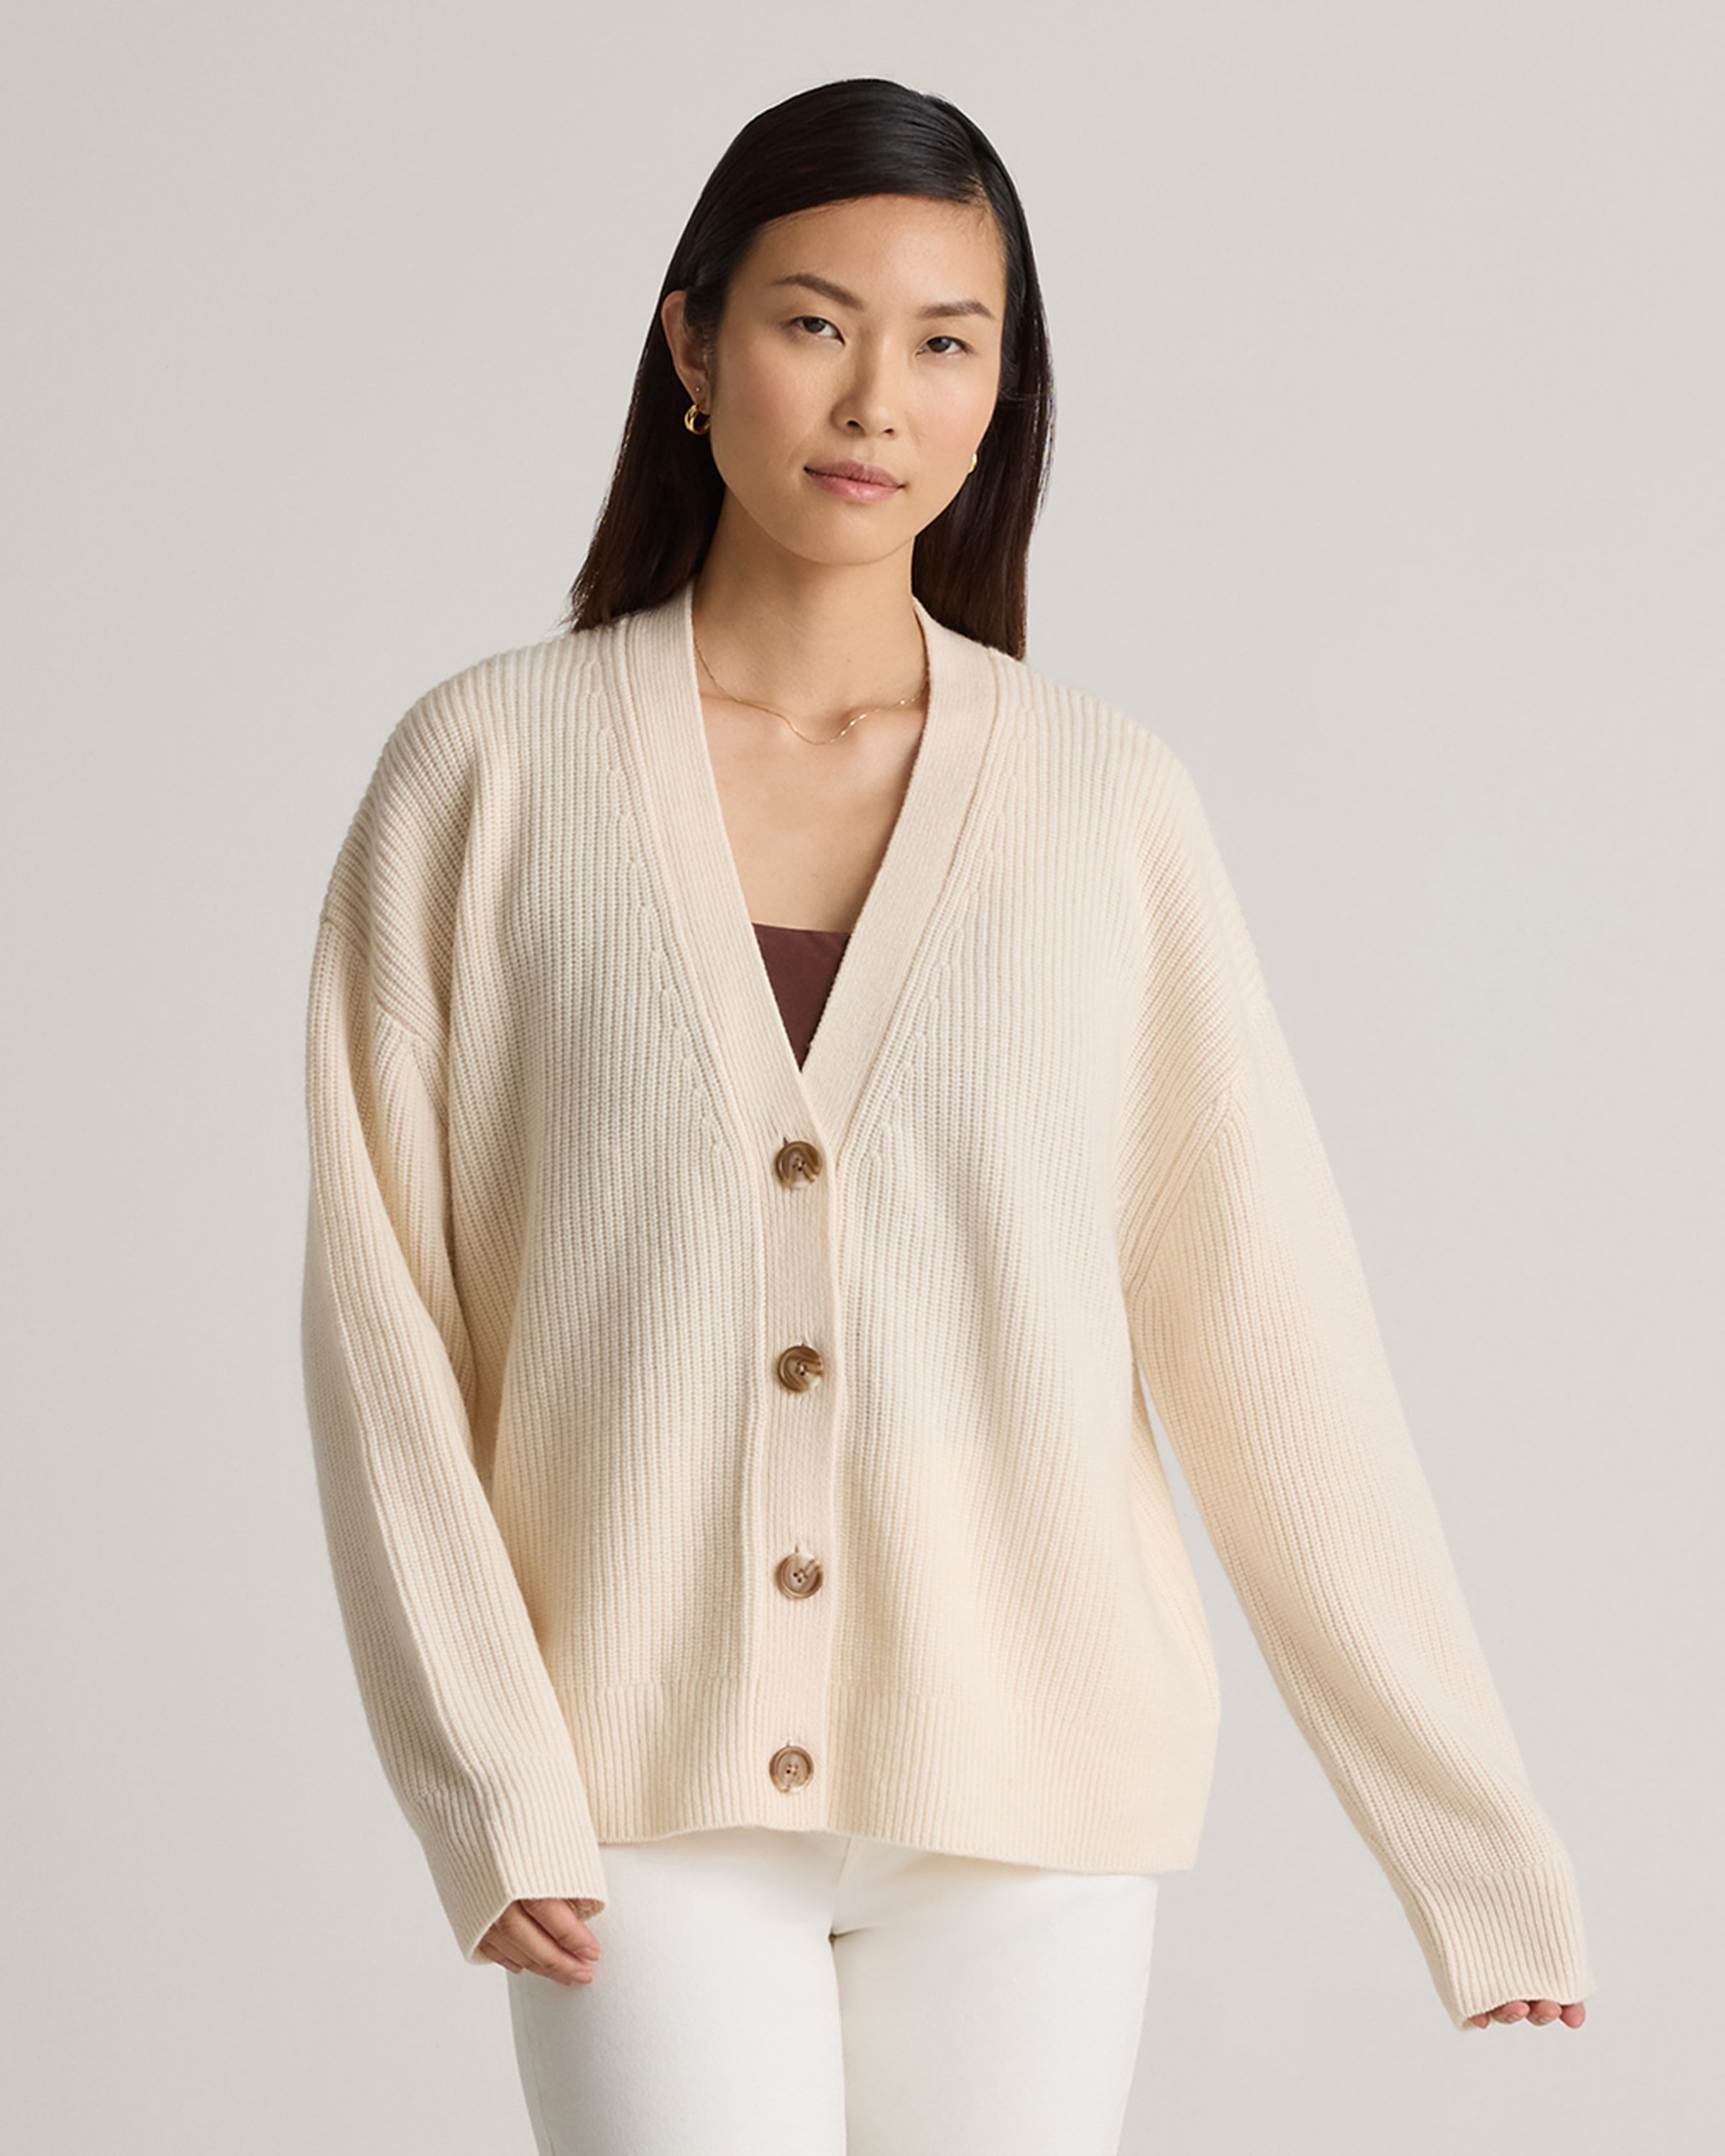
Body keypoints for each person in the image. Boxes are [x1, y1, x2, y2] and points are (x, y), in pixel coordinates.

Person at [300, 75, 1592, 2156]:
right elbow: (384, 1326)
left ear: (1005, 392)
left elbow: (1269, 1333)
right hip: (639, 1795)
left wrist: (1469, 1837)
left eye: (945, 342)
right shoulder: (486, 779)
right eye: (814, 323)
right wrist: (489, 1778)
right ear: (691, 341)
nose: (873, 400)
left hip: (1030, 1806)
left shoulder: (1105, 806)